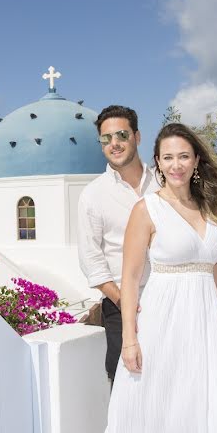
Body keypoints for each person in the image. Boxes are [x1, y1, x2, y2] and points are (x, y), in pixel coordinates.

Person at [97, 122, 217, 433]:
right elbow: (129, 279)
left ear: (196, 160)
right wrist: (129, 339)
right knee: (159, 407)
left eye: (184, 156)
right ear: (158, 162)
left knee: (205, 406)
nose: (176, 164)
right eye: (168, 157)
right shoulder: (146, 209)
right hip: (163, 323)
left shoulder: (209, 208)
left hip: (209, 325)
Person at [78, 105, 160, 384]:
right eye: (106, 139)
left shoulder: (163, 183)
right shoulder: (93, 195)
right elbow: (91, 258)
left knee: (170, 377)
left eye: (121, 135)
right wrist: (124, 300)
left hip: (167, 297)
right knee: (125, 380)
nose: (114, 144)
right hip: (119, 305)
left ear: (137, 137)